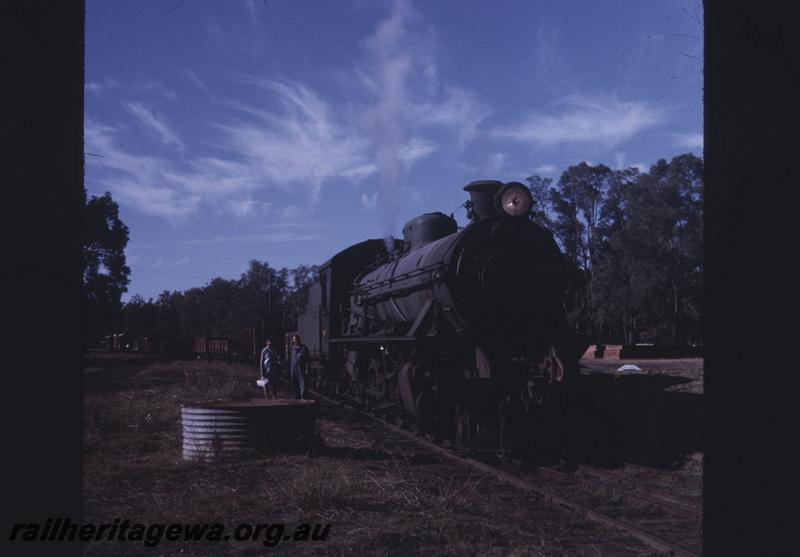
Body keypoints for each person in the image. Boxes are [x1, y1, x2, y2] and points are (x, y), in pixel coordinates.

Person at [289, 334, 309, 399]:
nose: (295, 340)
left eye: (296, 339)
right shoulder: (292, 348)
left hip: (301, 368)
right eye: (294, 339)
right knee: (295, 383)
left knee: (302, 383)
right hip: (293, 368)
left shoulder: (304, 348)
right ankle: (296, 397)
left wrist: (307, 368)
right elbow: (291, 360)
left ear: (298, 340)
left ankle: (303, 397)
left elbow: (307, 359)